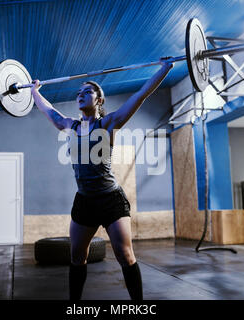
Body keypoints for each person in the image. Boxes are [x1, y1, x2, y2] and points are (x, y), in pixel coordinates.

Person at [31, 58, 173, 300]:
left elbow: (140, 95)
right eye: (79, 92)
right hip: (84, 201)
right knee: (77, 258)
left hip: (111, 200)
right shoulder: (70, 126)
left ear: (99, 99)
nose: (81, 95)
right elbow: (48, 110)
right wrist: (34, 91)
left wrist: (164, 69)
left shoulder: (108, 123)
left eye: (88, 91)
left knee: (125, 255)